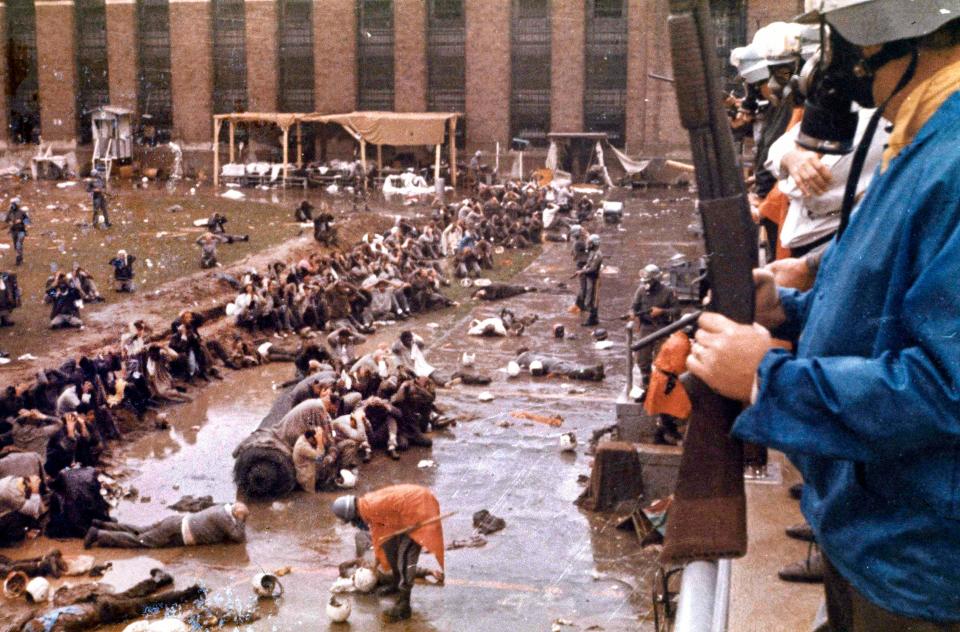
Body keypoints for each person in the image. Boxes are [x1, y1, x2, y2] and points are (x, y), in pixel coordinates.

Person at [686, 4, 960, 628]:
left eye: (843, 44)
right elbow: (888, 302)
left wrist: (766, 379)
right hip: (877, 534)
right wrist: (787, 309)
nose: (839, 68)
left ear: (892, 32)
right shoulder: (925, 138)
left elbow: (948, 388)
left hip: (921, 566)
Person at [331, 485, 445, 621]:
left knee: (405, 556)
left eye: (352, 521)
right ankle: (396, 583)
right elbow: (381, 538)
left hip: (419, 508)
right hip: (405, 510)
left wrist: (375, 563)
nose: (354, 524)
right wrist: (376, 562)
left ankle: (404, 604)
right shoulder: (367, 508)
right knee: (390, 547)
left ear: (353, 513)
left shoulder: (373, 507)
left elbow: (378, 536)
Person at [84, 502, 248, 548]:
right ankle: (99, 535)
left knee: (141, 530)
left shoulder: (222, 508)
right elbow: (238, 538)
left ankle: (102, 525)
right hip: (176, 531)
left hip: (175, 522)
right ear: (236, 514)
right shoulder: (223, 518)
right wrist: (241, 520)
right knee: (140, 541)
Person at [630, 264, 679, 385]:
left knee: (661, 358)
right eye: (645, 281)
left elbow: (677, 311)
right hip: (646, 327)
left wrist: (662, 311)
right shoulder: (641, 290)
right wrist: (631, 313)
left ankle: (660, 383)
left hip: (662, 327)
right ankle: (646, 380)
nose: (647, 284)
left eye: (650, 281)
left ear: (656, 280)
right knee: (642, 358)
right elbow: (634, 307)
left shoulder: (668, 291)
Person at [575, 234, 602, 326]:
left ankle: (593, 318)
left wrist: (582, 272)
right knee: (589, 297)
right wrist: (583, 269)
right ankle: (593, 317)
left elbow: (593, 268)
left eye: (590, 243)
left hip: (594, 278)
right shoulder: (592, 253)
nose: (588, 244)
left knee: (593, 298)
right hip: (589, 277)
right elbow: (588, 264)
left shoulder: (597, 254)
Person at [3, 197, 29, 265]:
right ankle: (20, 258)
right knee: (16, 246)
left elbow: (27, 221)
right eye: (12, 204)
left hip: (21, 231)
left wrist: (22, 221)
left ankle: (18, 259)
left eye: (14, 204)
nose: (12, 205)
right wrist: (10, 223)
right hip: (13, 231)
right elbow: (6, 220)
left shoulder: (22, 212)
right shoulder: (9, 213)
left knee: (18, 245)